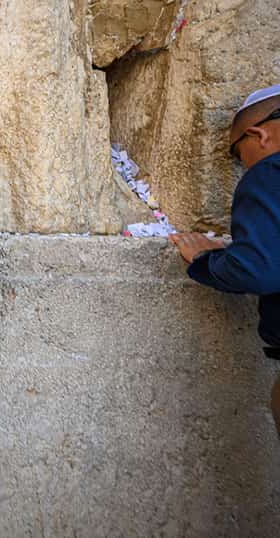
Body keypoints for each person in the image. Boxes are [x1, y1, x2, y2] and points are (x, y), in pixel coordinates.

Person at [169, 84, 280, 436]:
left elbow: (258, 270)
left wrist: (204, 259)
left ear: (258, 135)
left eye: (237, 153)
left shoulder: (269, 173)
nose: (241, 163)